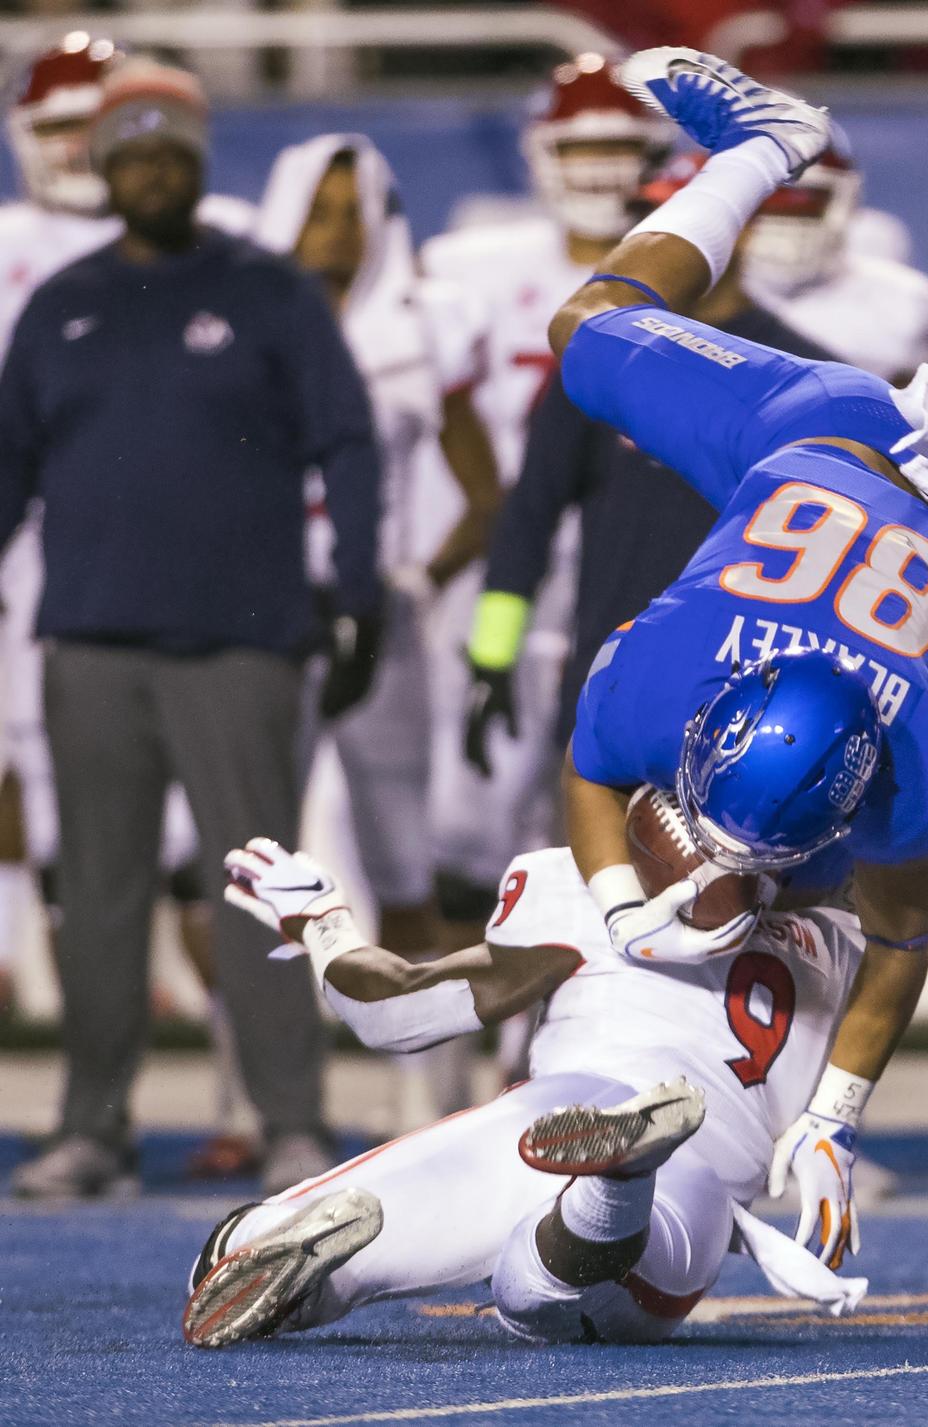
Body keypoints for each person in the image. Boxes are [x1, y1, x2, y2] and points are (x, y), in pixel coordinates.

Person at [538, 47, 928, 1261]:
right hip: (812, 448)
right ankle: (763, 142)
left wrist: (831, 1119)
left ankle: (763, 147)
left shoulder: (914, 766)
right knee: (589, 326)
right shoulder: (682, 671)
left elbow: (900, 940)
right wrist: (620, 906)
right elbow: (590, 771)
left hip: (910, 502)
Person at [2, 59, 383, 1199]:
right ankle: (92, 1129)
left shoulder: (271, 293)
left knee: (264, 900)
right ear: (105, 166)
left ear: (199, 167)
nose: (153, 171)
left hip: (242, 638)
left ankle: (290, 1124)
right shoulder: (62, 303)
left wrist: (358, 587)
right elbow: (10, 466)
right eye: (134, 152)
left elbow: (348, 443)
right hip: (92, 642)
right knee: (99, 896)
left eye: (173, 153)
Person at [182, 832, 868, 1348]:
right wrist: (836, 1121)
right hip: (696, 1172)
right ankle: (616, 1179)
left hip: (537, 1117)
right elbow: (901, 933)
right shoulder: (845, 943)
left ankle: (283, 1255)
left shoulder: (579, 886)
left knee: (223, 1259)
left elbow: (396, 1010)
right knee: (540, 1294)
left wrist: (322, 920)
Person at [0, 35, 261, 1172]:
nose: (72, 152)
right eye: (53, 129)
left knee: (218, 845)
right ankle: (77, 1069)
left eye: (87, 127)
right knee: (59, 834)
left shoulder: (222, 242)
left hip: (176, 575)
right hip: (38, 564)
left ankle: (245, 1089)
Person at [256, 133, 502, 1127]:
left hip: (374, 612)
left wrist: (418, 577)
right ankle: (261, 1105)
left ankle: (431, 1098)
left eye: (355, 211)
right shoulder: (239, 311)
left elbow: (487, 491)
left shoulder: (420, 324)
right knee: (241, 859)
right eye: (319, 210)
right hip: (259, 615)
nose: (338, 233)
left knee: (404, 860)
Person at [464, 151, 836, 776]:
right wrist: (490, 658)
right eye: (651, 219)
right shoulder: (603, 362)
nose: (669, 240)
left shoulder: (809, 377)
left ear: (741, 224)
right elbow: (530, 510)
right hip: (608, 698)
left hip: (754, 717)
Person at [419, 52, 671, 950]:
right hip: (505, 577)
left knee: (614, 826)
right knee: (467, 826)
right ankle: (446, 1054)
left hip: (631, 576)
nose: (600, 169)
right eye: (580, 146)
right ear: (538, 153)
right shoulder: (470, 267)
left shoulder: (689, 285)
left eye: (618, 145)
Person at [741, 139, 928, 382]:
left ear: (848, 199)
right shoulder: (702, 288)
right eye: (769, 201)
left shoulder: (905, 300)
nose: (786, 215)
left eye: (805, 200)